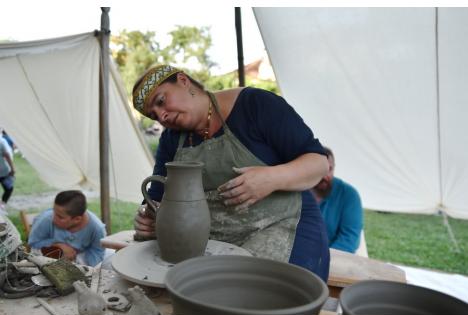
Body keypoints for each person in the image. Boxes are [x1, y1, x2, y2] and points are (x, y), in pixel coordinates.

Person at [131, 65, 331, 281]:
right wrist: (148, 218)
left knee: (251, 298)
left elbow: (319, 163)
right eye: (154, 115)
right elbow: (156, 198)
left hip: (282, 226)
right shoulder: (171, 140)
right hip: (213, 241)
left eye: (161, 102)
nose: (162, 116)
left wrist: (271, 178)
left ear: (183, 80)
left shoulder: (255, 105)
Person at [28, 190, 106, 267]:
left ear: (77, 219)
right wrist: (57, 246)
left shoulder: (97, 229)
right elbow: (33, 244)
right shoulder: (45, 220)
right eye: (54, 211)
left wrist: (76, 262)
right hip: (47, 260)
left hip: (80, 264)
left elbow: (97, 254)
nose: (53, 218)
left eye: (60, 217)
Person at [311, 147, 363, 253]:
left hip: (331, 260)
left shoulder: (349, 195)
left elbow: (349, 240)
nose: (326, 175)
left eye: (330, 169)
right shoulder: (296, 189)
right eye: (321, 169)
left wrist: (322, 259)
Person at [0, 139, 15, 208]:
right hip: (4, 171)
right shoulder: (1, 141)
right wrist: (12, 169)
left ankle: (2, 205)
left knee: (8, 188)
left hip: (3, 171)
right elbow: (7, 155)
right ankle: (2, 205)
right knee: (9, 188)